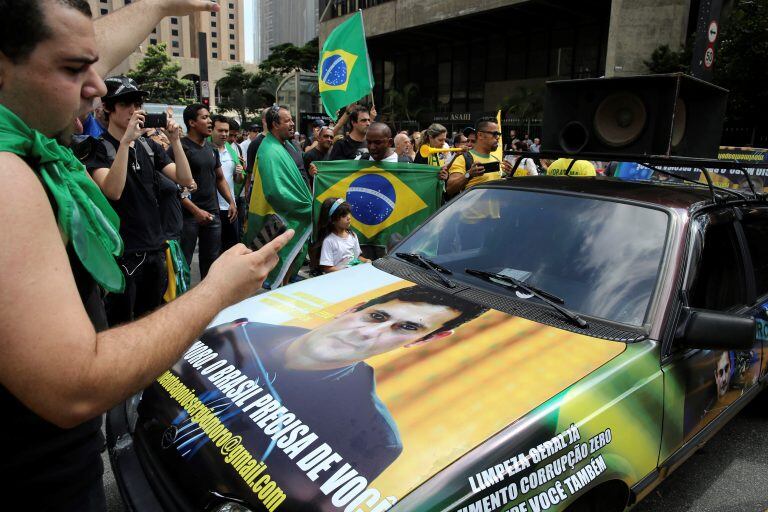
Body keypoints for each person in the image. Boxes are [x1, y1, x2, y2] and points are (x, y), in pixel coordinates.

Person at [0, 0, 294, 509]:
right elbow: (76, 386)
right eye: (74, 69)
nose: (96, 86)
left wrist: (159, 5)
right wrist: (217, 289)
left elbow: (179, 176)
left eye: (97, 64)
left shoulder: (31, 126)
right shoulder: (10, 175)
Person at [157, 286, 487, 509]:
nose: (369, 334)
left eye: (407, 328)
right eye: (377, 316)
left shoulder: (374, 435)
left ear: (420, 342)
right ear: (353, 308)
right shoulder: (240, 330)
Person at [85, 75, 195, 325]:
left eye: (137, 103)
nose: (134, 111)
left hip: (154, 248)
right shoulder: (98, 147)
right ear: (109, 109)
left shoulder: (148, 146)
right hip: (122, 253)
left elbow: (185, 179)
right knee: (121, 324)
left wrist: (175, 141)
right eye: (126, 104)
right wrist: (125, 143)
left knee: (152, 320)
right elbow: (112, 191)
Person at [246, 105, 313, 287]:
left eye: (292, 120)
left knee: (288, 263)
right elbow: (275, 191)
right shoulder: (270, 151)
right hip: (278, 217)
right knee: (277, 263)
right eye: (288, 120)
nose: (292, 124)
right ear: (275, 124)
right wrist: (304, 206)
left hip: (285, 215)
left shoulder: (286, 145)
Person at [170, 104, 237, 278]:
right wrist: (195, 210)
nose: (209, 121)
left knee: (212, 263)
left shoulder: (211, 149)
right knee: (183, 264)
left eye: (209, 117)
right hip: (187, 217)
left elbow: (220, 178)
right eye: (204, 118)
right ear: (192, 122)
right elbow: (174, 188)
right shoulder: (179, 148)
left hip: (212, 213)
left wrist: (231, 201)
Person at [446, 118, 514, 197]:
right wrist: (469, 175)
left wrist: (509, 176)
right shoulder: (463, 159)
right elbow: (450, 188)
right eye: (495, 134)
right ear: (480, 135)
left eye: (498, 134)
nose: (498, 137)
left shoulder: (496, 160)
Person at [211, 115, 244, 251]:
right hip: (213, 209)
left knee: (231, 249)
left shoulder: (233, 152)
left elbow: (237, 180)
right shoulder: (207, 150)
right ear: (211, 130)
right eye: (220, 131)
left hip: (231, 208)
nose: (224, 134)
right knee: (213, 251)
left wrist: (240, 173)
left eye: (226, 131)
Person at [317, 198, 370, 272]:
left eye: (348, 213)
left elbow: (357, 257)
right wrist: (345, 271)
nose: (349, 217)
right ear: (332, 220)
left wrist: (366, 261)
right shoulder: (329, 241)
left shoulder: (353, 235)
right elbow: (327, 268)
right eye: (344, 215)